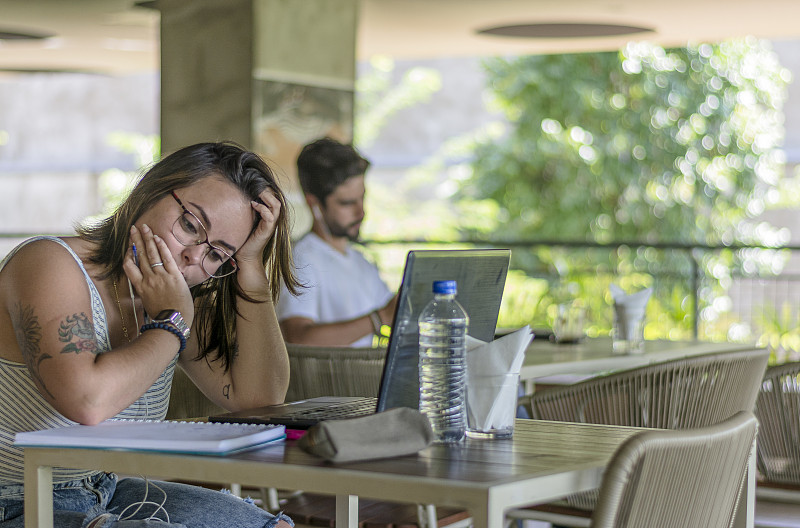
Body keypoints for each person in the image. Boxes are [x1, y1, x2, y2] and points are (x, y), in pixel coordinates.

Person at [0, 141, 298, 528]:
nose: (193, 256)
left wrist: (251, 268)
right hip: (15, 498)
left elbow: (260, 399)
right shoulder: (48, 262)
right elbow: (87, 401)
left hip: (106, 489)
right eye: (190, 225)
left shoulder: (172, 298)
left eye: (216, 254)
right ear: (149, 191)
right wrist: (171, 322)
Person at [277, 137, 397, 347]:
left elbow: (392, 312)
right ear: (314, 204)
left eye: (362, 198)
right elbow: (298, 337)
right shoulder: (301, 260)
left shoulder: (360, 261)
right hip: (322, 381)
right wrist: (378, 319)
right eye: (347, 203)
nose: (361, 212)